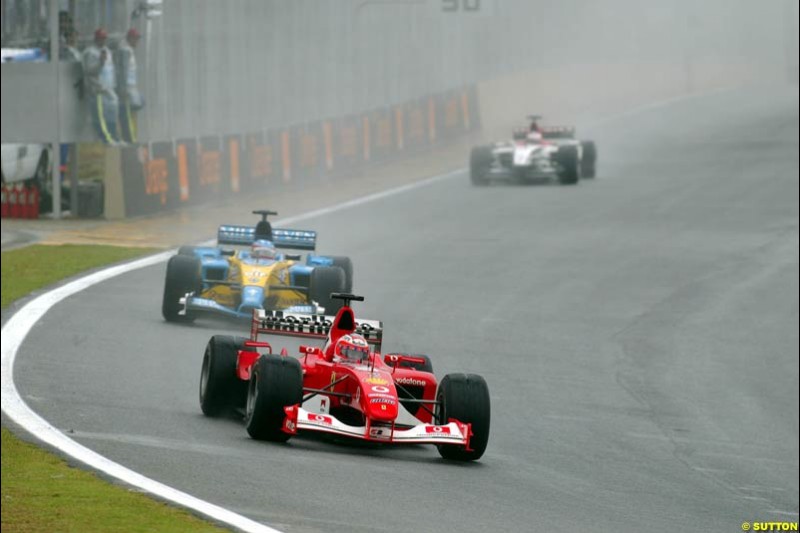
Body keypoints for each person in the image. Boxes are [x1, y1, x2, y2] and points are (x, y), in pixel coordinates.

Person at [82, 28, 120, 144]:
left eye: (104, 38)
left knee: (112, 114)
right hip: (98, 90)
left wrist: (113, 84)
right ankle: (106, 139)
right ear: (96, 38)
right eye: (100, 38)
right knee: (100, 116)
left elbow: (111, 69)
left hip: (108, 89)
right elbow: (89, 70)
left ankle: (113, 135)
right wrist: (100, 62)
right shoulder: (90, 52)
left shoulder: (107, 51)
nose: (102, 41)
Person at [116, 27, 144, 143]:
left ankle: (129, 137)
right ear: (130, 38)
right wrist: (124, 90)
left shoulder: (127, 50)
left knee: (130, 111)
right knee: (127, 113)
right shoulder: (125, 51)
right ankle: (128, 138)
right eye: (136, 38)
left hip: (130, 88)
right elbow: (124, 70)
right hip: (127, 90)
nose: (137, 41)